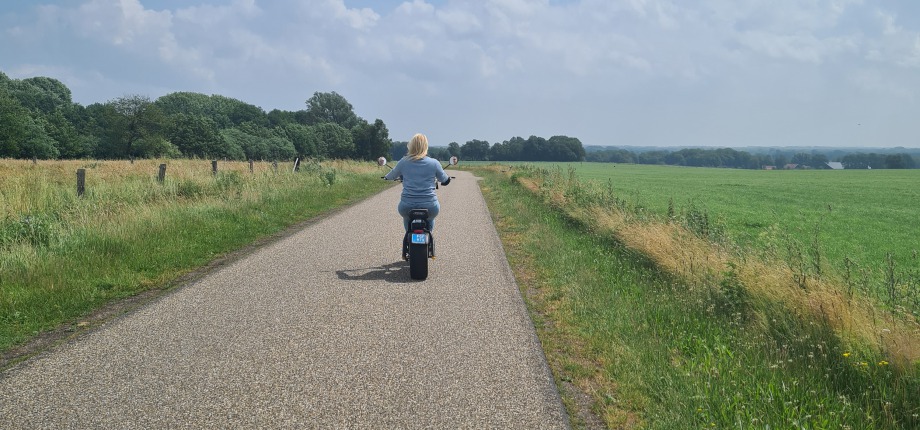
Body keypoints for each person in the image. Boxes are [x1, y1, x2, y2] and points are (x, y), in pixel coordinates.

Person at [384, 133, 451, 232]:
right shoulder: (434, 163)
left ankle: (408, 236)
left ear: (410, 146)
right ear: (426, 146)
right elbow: (445, 180)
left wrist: (386, 177)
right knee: (430, 218)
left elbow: (392, 175)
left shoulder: (404, 161)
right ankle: (429, 237)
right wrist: (446, 180)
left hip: (407, 206)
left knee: (407, 218)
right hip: (430, 206)